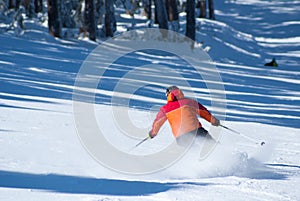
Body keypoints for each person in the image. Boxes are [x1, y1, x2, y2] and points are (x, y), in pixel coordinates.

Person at [149, 86, 220, 145]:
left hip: (180, 137)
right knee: (211, 146)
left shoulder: (165, 109)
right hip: (196, 131)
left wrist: (153, 133)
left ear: (168, 95)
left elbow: (157, 123)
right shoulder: (189, 102)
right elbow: (204, 113)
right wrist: (214, 121)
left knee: (192, 154)